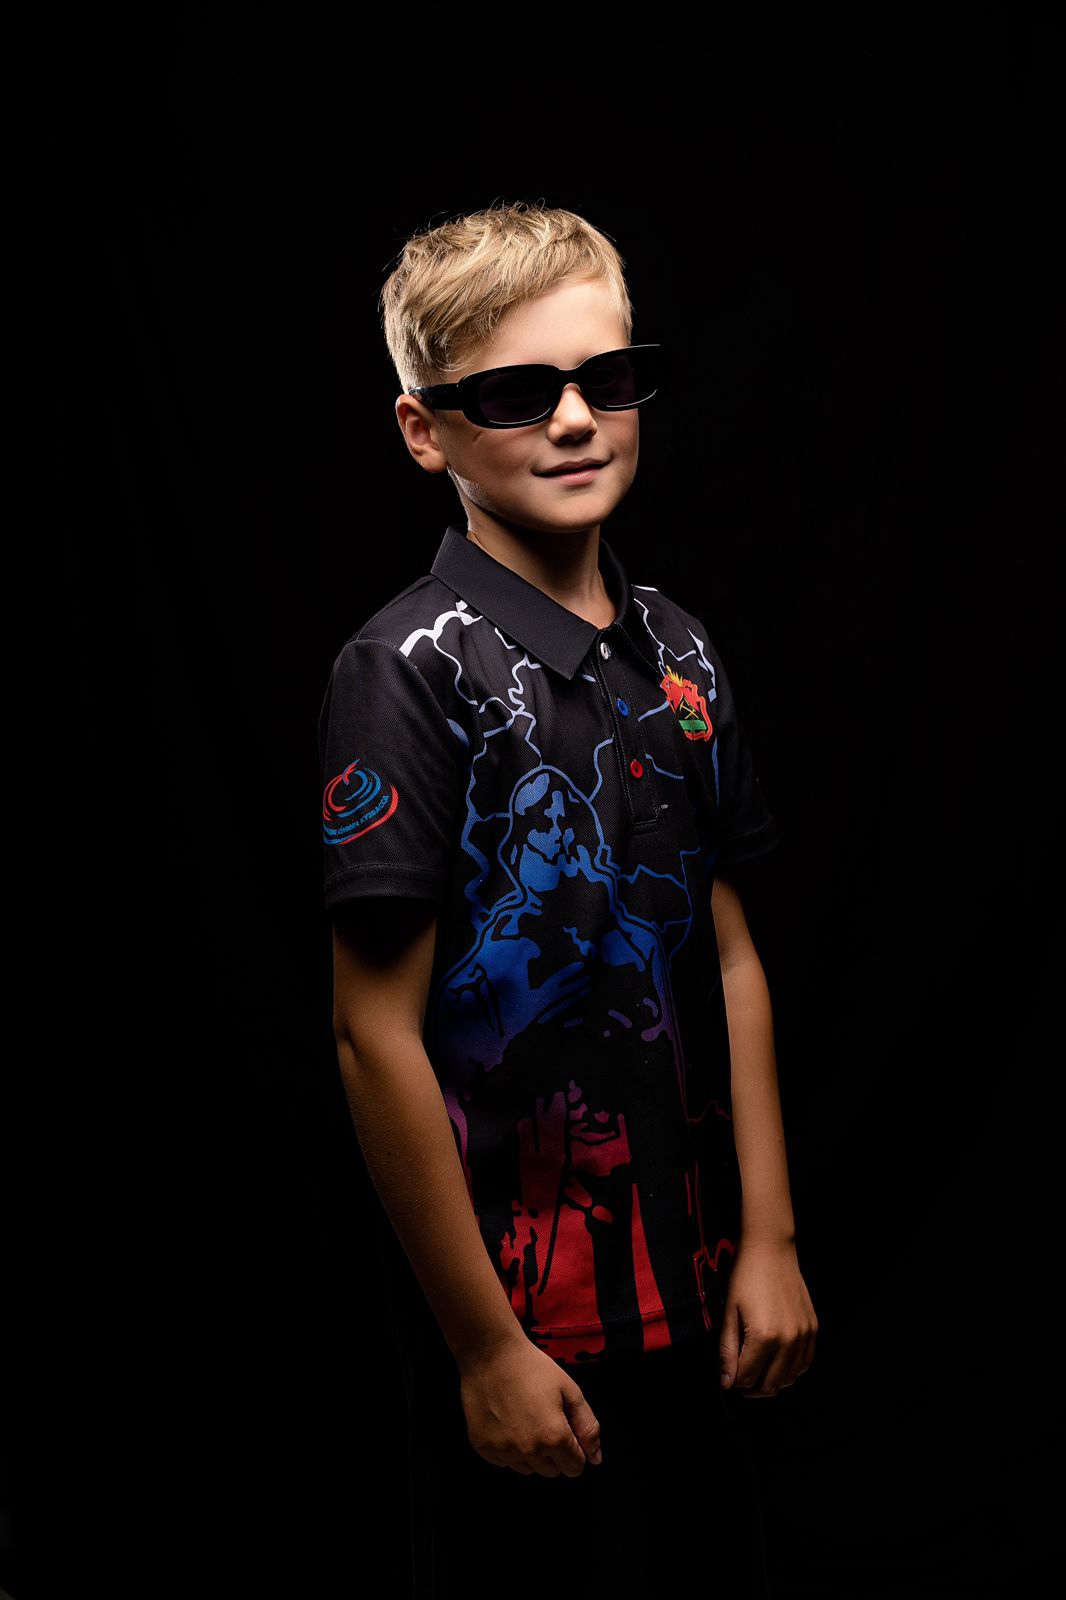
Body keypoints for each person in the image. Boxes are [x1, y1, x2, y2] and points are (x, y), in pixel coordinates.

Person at [318, 200, 818, 1597]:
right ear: (424, 429)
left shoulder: (684, 652)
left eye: (607, 377)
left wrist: (771, 1240)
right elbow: (372, 1033)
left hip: (704, 1286)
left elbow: (731, 959)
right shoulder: (407, 669)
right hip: (513, 1301)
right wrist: (485, 1344)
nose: (577, 419)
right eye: (516, 392)